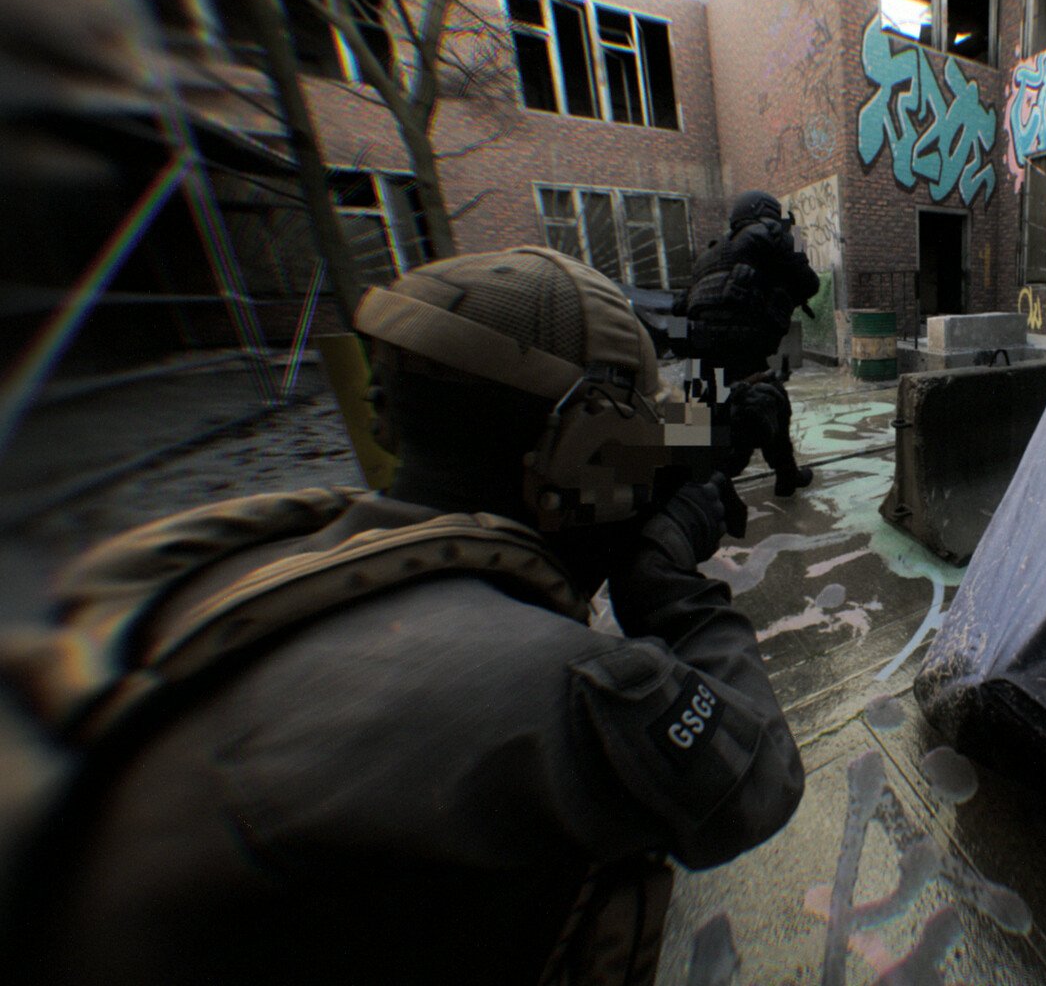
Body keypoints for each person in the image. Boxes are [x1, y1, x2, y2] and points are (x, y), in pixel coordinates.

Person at [5, 247, 804, 986]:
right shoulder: (567, 690)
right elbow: (758, 783)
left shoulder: (250, 558)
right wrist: (667, 585)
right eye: (624, 440)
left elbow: (665, 445)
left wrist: (699, 440)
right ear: (580, 447)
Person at [675, 191, 822, 498]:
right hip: (738, 346)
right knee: (766, 402)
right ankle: (778, 477)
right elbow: (810, 282)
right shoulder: (768, 235)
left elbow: (682, 304)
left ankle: (687, 485)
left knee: (699, 416)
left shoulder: (710, 252)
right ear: (767, 212)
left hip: (697, 351)